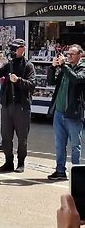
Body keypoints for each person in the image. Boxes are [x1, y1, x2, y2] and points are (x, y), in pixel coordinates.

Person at [0, 39, 36, 173]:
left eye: (15, 48)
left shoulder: (28, 65)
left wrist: (18, 81)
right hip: (7, 105)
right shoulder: (8, 63)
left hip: (21, 106)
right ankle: (8, 161)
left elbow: (32, 84)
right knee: (6, 136)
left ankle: (21, 162)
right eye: (11, 48)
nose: (13, 51)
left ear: (23, 49)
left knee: (22, 137)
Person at [47, 44, 85, 180]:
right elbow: (51, 81)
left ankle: (76, 174)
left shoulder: (82, 68)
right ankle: (60, 171)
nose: (69, 56)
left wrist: (64, 66)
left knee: (75, 145)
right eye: (67, 54)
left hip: (73, 113)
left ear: (80, 55)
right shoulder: (65, 68)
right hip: (59, 111)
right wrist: (53, 67)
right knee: (59, 144)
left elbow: (76, 79)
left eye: (72, 54)